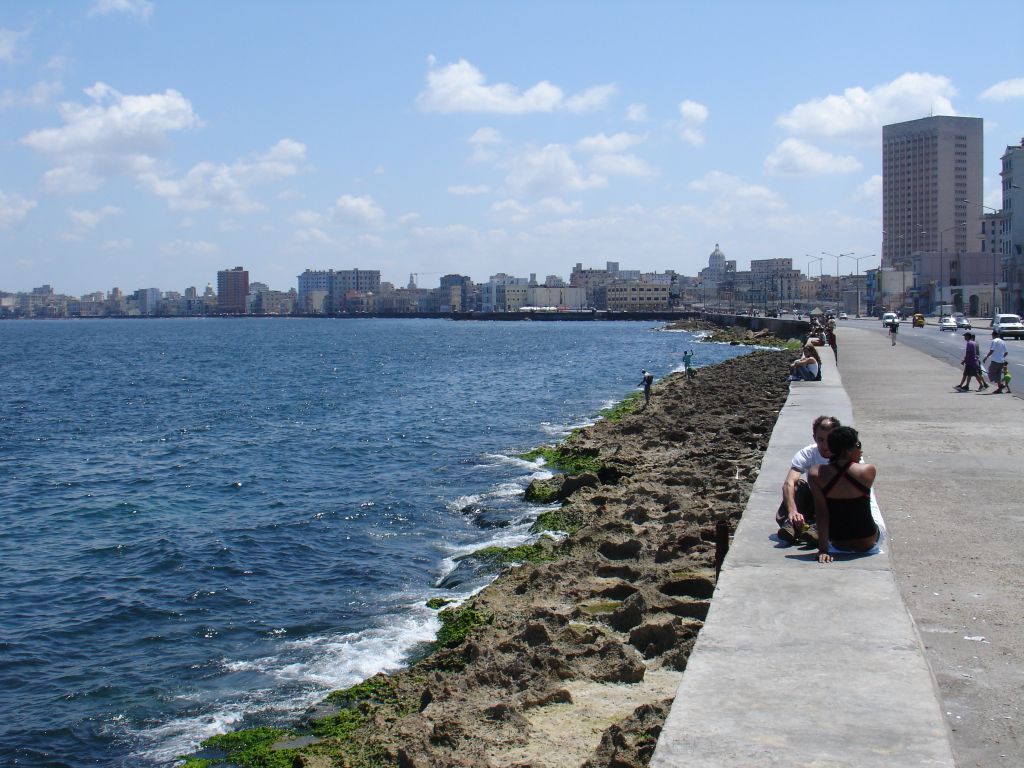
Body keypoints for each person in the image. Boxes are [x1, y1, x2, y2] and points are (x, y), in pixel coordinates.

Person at [809, 426, 878, 564]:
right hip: (868, 540)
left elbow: (822, 513)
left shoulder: (815, 473)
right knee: (873, 504)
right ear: (848, 450)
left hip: (839, 542)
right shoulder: (868, 470)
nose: (861, 450)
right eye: (858, 445)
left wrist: (823, 549)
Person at [777, 415, 840, 545]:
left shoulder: (846, 455)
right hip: (814, 500)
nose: (825, 445)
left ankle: (818, 528)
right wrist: (792, 510)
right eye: (820, 440)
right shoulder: (808, 453)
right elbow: (788, 483)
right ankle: (791, 523)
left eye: (830, 440)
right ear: (814, 438)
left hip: (835, 502)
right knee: (797, 485)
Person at [982, 330, 1010, 394]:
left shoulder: (994, 341)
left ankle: (1001, 386)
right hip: (1001, 361)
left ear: (993, 335)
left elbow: (992, 350)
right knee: (998, 374)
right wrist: (1002, 357)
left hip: (995, 361)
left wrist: (986, 357)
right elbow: (1006, 352)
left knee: (990, 373)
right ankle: (999, 389)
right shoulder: (1002, 341)